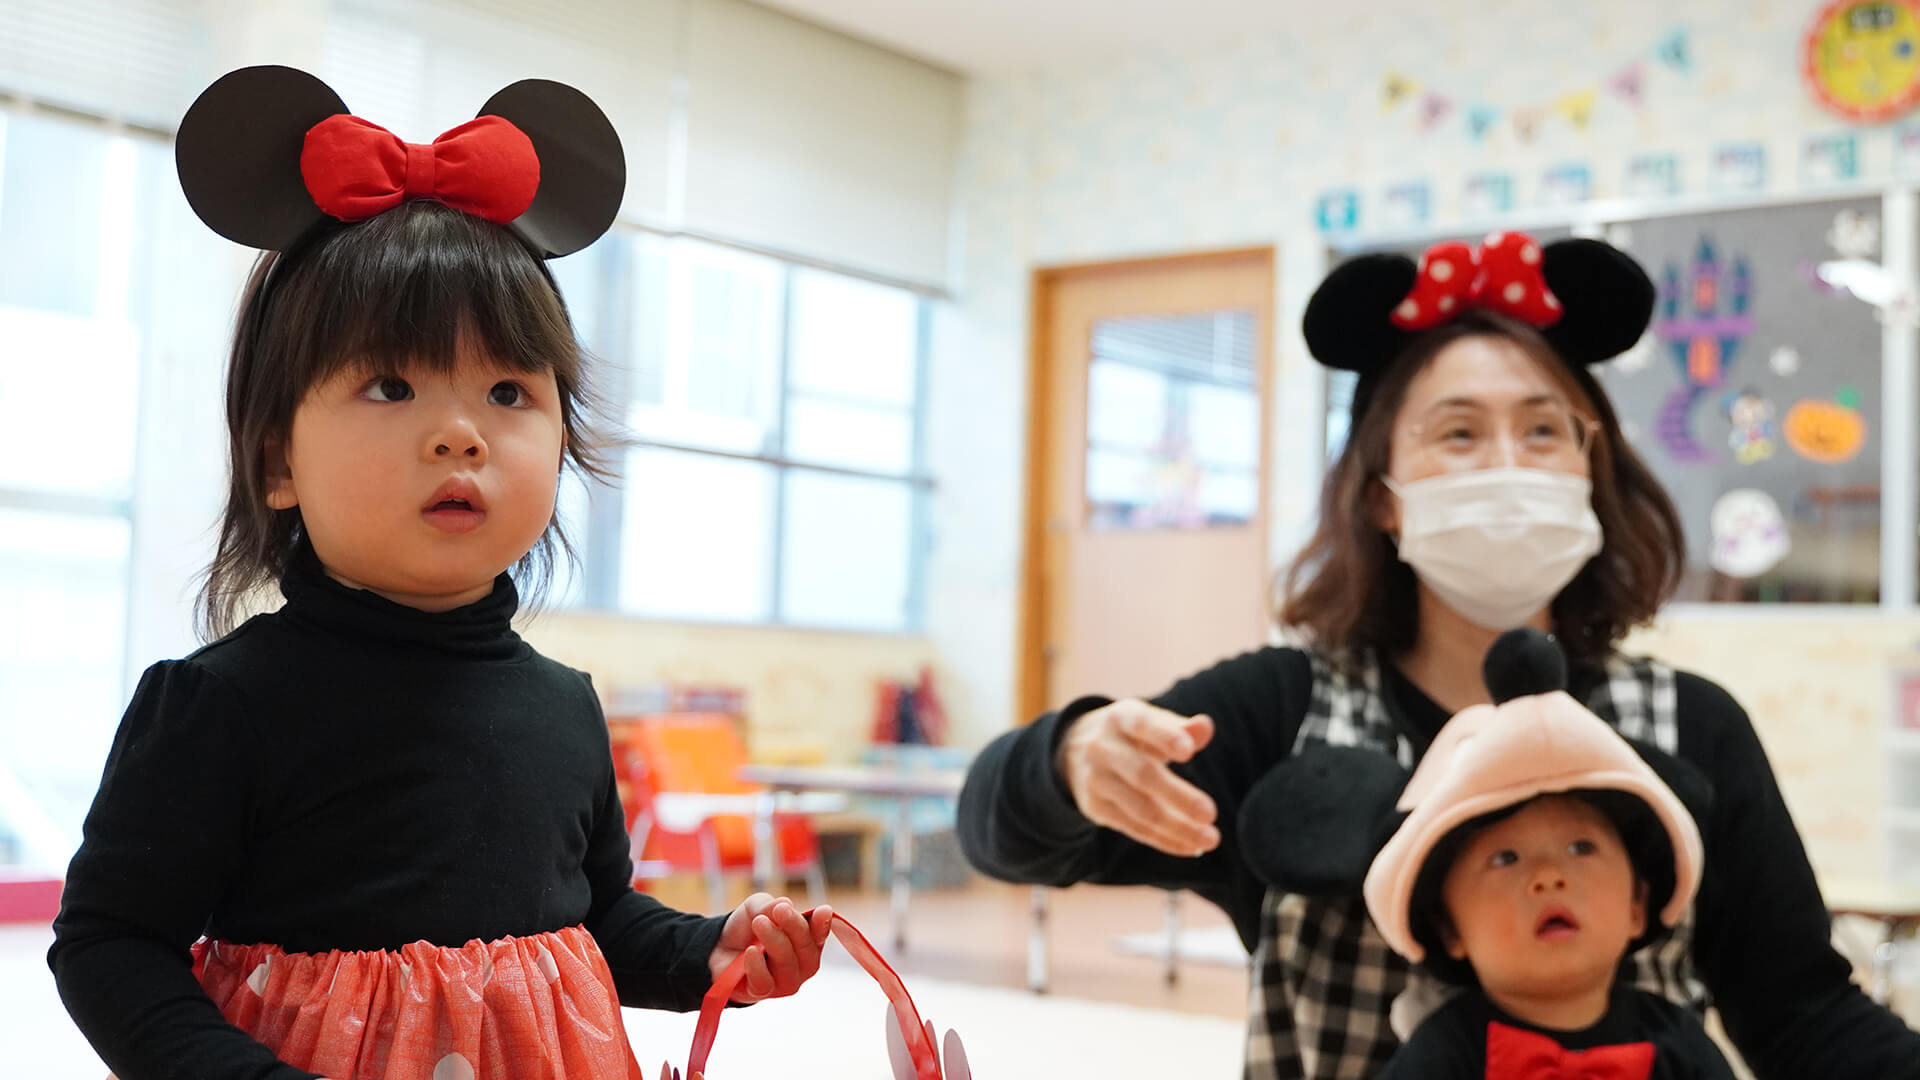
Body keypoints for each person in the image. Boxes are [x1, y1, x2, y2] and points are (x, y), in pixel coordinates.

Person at [956, 231, 1920, 1078]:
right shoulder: (1279, 711)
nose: (1506, 460)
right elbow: (1005, 836)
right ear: (1382, 493)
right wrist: (1069, 759)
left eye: (1544, 429)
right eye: (1458, 431)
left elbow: (1798, 1011)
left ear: (1592, 472)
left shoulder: (1691, 725)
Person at [48, 65, 830, 1080]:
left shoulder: (563, 706)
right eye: (390, 384)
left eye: (508, 389)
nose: (461, 433)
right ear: (278, 460)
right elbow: (110, 945)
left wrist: (709, 950)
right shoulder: (215, 706)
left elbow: (595, 922)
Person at [1247, 627, 1736, 1079]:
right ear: (1449, 928)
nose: (1548, 876)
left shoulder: (1680, 1043)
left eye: (1581, 847)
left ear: (1638, 905)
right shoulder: (1443, 1052)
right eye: (1505, 858)